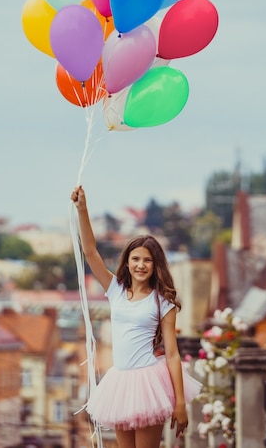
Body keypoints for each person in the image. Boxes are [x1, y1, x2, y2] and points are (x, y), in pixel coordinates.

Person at [71, 185, 201, 448]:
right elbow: (90, 252)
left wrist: (180, 402)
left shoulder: (162, 301)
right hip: (120, 382)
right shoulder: (115, 290)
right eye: (136, 259)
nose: (141, 265)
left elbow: (173, 354)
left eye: (147, 260)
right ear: (127, 262)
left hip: (148, 383)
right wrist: (82, 209)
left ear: (155, 266)